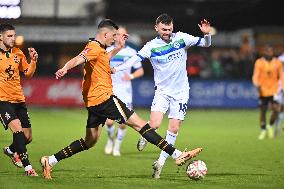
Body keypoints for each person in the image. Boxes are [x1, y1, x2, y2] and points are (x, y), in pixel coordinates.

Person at [40, 19, 202, 180]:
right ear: (105, 34)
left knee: (89, 141)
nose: (115, 38)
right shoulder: (93, 47)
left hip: (94, 103)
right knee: (140, 125)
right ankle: (177, 154)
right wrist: (65, 68)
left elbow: (103, 59)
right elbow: (78, 58)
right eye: (114, 35)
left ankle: (51, 160)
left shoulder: (100, 49)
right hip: (104, 98)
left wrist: (118, 48)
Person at [112, 13, 211, 179]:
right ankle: (146, 134)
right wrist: (116, 69)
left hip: (181, 93)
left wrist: (207, 34)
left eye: (170, 29)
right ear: (156, 28)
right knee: (155, 125)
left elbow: (206, 44)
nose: (167, 32)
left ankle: (160, 164)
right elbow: (134, 59)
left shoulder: (181, 38)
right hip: (162, 92)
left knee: (173, 128)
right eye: (164, 29)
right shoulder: (151, 46)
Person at [0, 23, 38, 176]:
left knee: (27, 137)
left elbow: (28, 73)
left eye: (14, 35)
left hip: (19, 99)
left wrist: (33, 60)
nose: (13, 38)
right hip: (2, 100)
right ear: (0, 37)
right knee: (17, 129)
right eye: (9, 36)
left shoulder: (18, 53)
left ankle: (10, 150)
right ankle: (28, 168)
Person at [104, 26, 144, 156]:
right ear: (115, 36)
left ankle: (117, 146)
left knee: (123, 121)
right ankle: (110, 140)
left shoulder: (132, 52)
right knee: (109, 122)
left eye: (123, 35)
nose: (121, 37)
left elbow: (140, 70)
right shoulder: (108, 51)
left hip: (125, 90)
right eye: (118, 34)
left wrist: (131, 76)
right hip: (110, 88)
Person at [252, 45, 284, 140]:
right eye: (267, 52)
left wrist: (282, 87)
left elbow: (281, 76)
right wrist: (256, 84)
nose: (269, 53)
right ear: (264, 52)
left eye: (271, 52)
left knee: (276, 109)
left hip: (274, 89)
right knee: (263, 111)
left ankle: (270, 125)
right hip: (263, 90)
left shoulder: (277, 62)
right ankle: (263, 130)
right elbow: (255, 75)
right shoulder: (259, 62)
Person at [274, 52, 284, 136]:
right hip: (279, 88)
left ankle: (277, 127)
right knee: (277, 109)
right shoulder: (280, 59)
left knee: (282, 109)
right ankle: (276, 127)